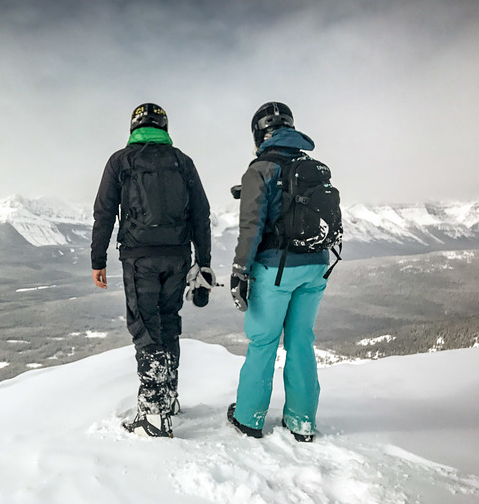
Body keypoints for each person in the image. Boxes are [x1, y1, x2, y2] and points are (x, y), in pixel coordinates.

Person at [91, 103, 212, 438]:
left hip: (139, 257)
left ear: (133, 127)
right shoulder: (182, 162)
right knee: (168, 320)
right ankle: (169, 396)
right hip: (177, 256)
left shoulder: (121, 161)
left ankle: (154, 413)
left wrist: (97, 260)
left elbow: (104, 212)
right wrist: (204, 262)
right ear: (164, 127)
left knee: (144, 325)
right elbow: (201, 214)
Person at [228, 101, 332, 443]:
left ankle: (249, 418)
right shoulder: (311, 165)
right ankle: (302, 422)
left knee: (264, 342)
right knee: (301, 341)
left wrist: (240, 270)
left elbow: (251, 227)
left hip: (276, 270)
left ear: (259, 134)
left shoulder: (260, 169)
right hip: (316, 266)